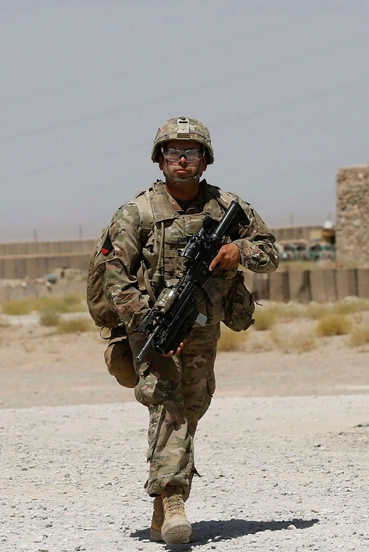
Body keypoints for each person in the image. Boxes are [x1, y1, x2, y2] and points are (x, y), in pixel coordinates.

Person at [97, 117, 278, 544]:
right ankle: (175, 499)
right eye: (173, 151)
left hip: (203, 325)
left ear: (205, 160)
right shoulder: (137, 212)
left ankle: (162, 504)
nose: (182, 158)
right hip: (155, 325)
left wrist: (240, 249)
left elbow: (270, 254)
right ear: (160, 159)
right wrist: (146, 320)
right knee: (166, 404)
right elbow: (114, 274)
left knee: (193, 405)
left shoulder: (228, 207)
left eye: (191, 151)